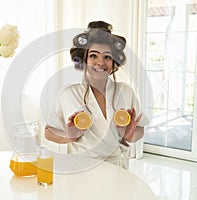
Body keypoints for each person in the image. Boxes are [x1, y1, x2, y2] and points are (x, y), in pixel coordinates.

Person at [44, 21, 148, 169]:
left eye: (107, 57)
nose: (101, 62)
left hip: (117, 168)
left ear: (114, 62)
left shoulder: (125, 91)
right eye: (93, 56)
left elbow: (140, 130)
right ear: (84, 60)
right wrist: (71, 135)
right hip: (81, 167)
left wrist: (129, 134)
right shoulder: (68, 94)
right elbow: (48, 132)